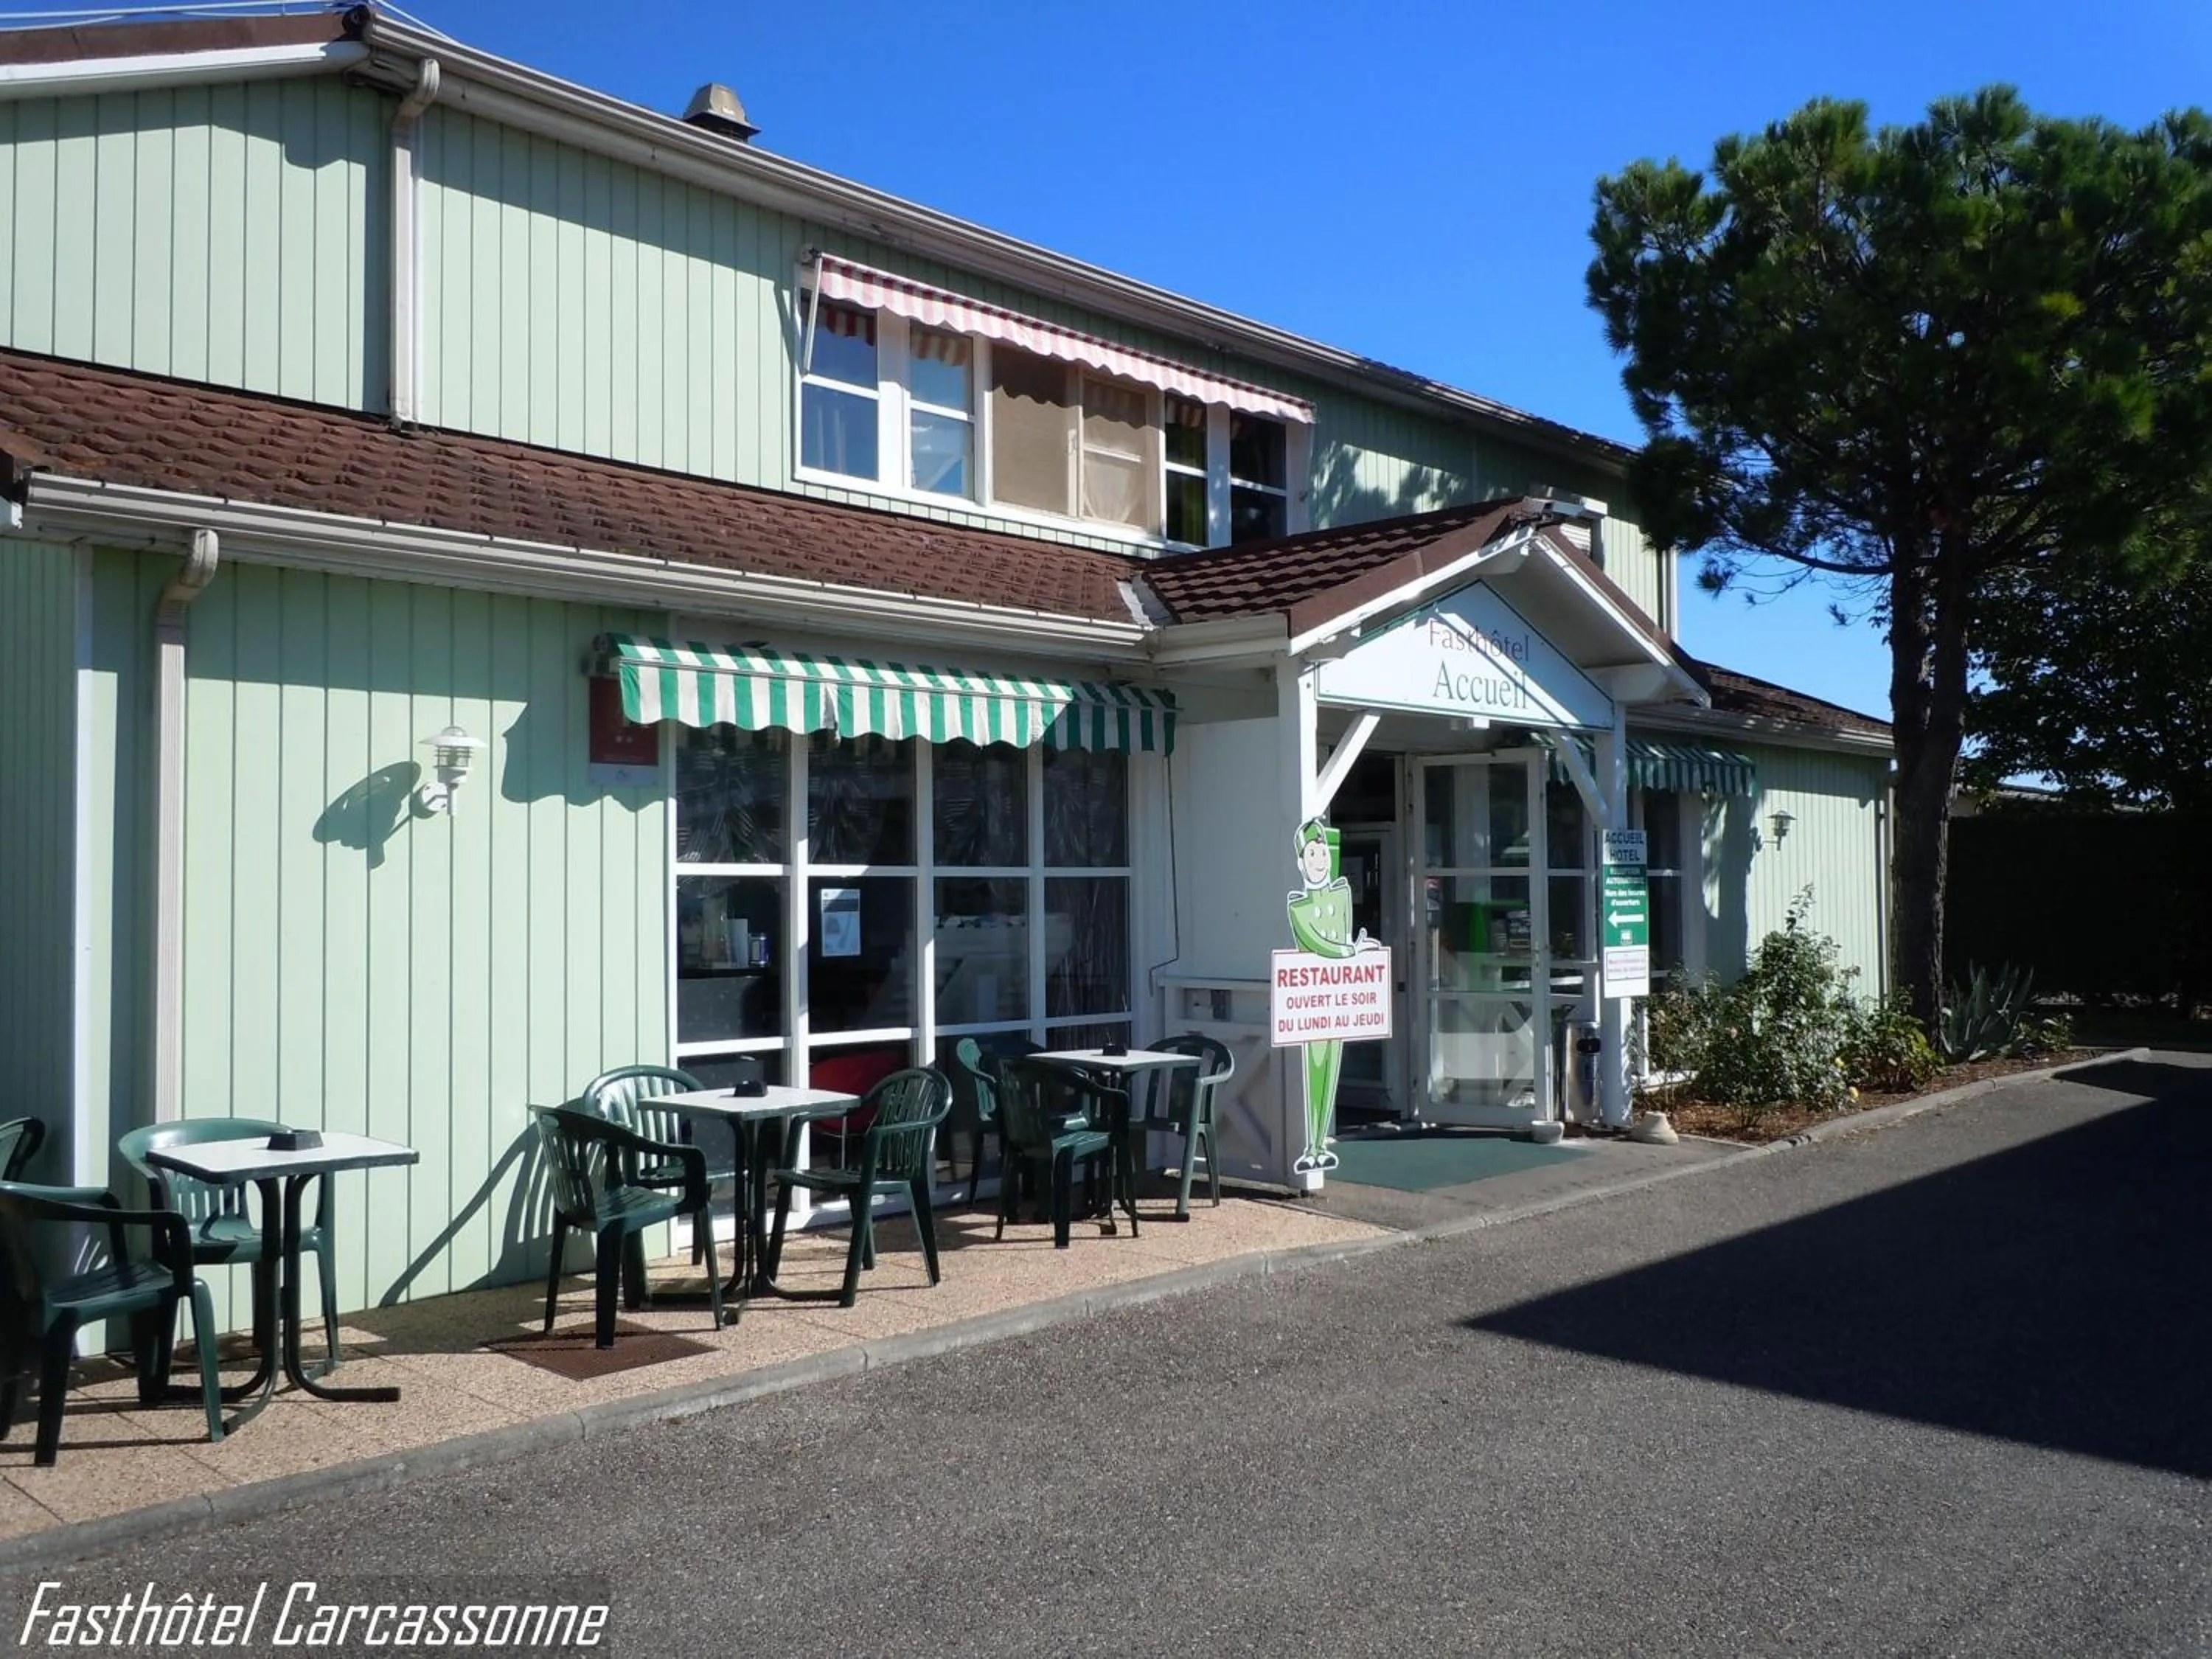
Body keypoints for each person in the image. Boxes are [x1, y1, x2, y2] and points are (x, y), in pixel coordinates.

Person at [1285, 818, 1382, 1172]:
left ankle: (1319, 1143)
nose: (1319, 859)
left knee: (1331, 1069)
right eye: (1312, 852)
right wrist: (1351, 952)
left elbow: (1341, 933)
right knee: (1314, 1069)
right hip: (1312, 999)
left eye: (1324, 851)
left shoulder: (1341, 893)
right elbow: (1316, 942)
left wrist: (1355, 954)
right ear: (1301, 862)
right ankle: (1311, 1145)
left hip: (1335, 998)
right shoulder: (1298, 907)